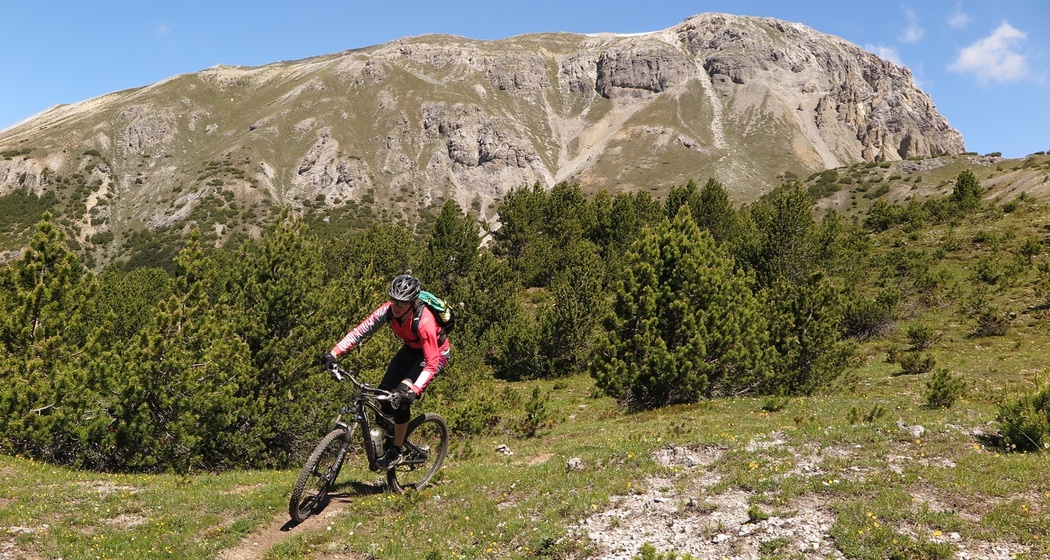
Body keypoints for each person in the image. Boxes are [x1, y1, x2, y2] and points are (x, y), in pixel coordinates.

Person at [320, 274, 450, 469]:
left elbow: (431, 363)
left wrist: (413, 391)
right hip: (411, 351)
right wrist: (334, 353)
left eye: (401, 302)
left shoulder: (424, 322)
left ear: (411, 302)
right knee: (383, 398)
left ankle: (397, 450)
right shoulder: (387, 311)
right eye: (393, 300)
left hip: (434, 355)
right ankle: (394, 434)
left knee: (400, 399)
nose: (396, 306)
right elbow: (359, 332)